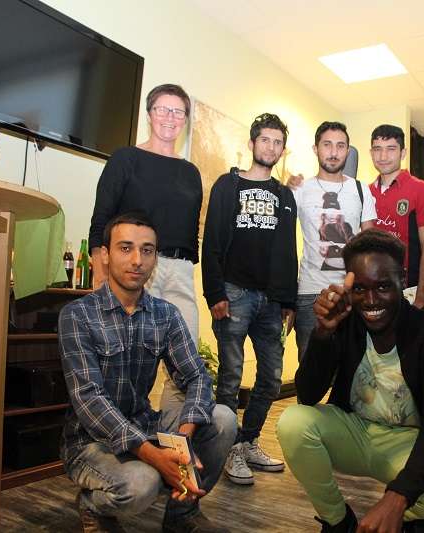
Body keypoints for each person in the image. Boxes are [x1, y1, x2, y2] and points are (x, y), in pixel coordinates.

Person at [277, 229, 424, 533]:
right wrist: (323, 333)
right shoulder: (345, 321)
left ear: (402, 279)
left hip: (406, 440)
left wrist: (397, 497)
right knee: (293, 422)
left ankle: (395, 520)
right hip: (355, 431)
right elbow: (308, 396)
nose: (371, 300)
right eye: (360, 289)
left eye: (383, 286)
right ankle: (338, 521)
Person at [59, 213, 236, 533]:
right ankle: (93, 506)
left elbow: (197, 376)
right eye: (125, 248)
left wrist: (184, 439)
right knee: (143, 483)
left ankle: (182, 513)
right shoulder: (77, 315)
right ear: (105, 254)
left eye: (147, 250)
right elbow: (89, 399)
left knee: (223, 419)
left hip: (143, 423)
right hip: (89, 443)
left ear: (156, 258)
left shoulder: (165, 314)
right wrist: (153, 456)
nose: (137, 260)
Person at [201, 113, 298, 485]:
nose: (271, 147)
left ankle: (246, 442)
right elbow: (212, 241)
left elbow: (287, 250)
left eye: (278, 142)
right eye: (266, 140)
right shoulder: (228, 185)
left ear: (282, 150)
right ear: (253, 143)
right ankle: (225, 450)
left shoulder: (285, 195)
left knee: (271, 378)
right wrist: (215, 292)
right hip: (234, 293)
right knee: (230, 377)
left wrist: (288, 301)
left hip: (272, 302)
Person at [89, 83, 202, 344]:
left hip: (180, 271)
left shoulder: (191, 173)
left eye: (178, 112)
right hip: (134, 265)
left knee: (186, 354)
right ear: (150, 114)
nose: (170, 117)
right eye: (162, 109)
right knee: (132, 353)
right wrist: (101, 272)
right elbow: (101, 218)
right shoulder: (124, 158)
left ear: (185, 120)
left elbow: (191, 228)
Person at [291, 121, 377, 361]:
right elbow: (282, 241)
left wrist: (360, 289)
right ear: (315, 149)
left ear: (347, 151)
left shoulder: (361, 189)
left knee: (353, 368)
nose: (333, 152)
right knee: (310, 367)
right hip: (310, 293)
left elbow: (370, 245)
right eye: (327, 145)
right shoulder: (300, 189)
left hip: (351, 293)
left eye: (340, 146)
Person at [368, 124, 424, 308]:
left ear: (403, 153)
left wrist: (422, 298)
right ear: (371, 153)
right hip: (373, 289)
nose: (383, 156)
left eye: (391, 149)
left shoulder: (422, 190)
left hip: (410, 291)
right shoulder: (365, 192)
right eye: (378, 149)